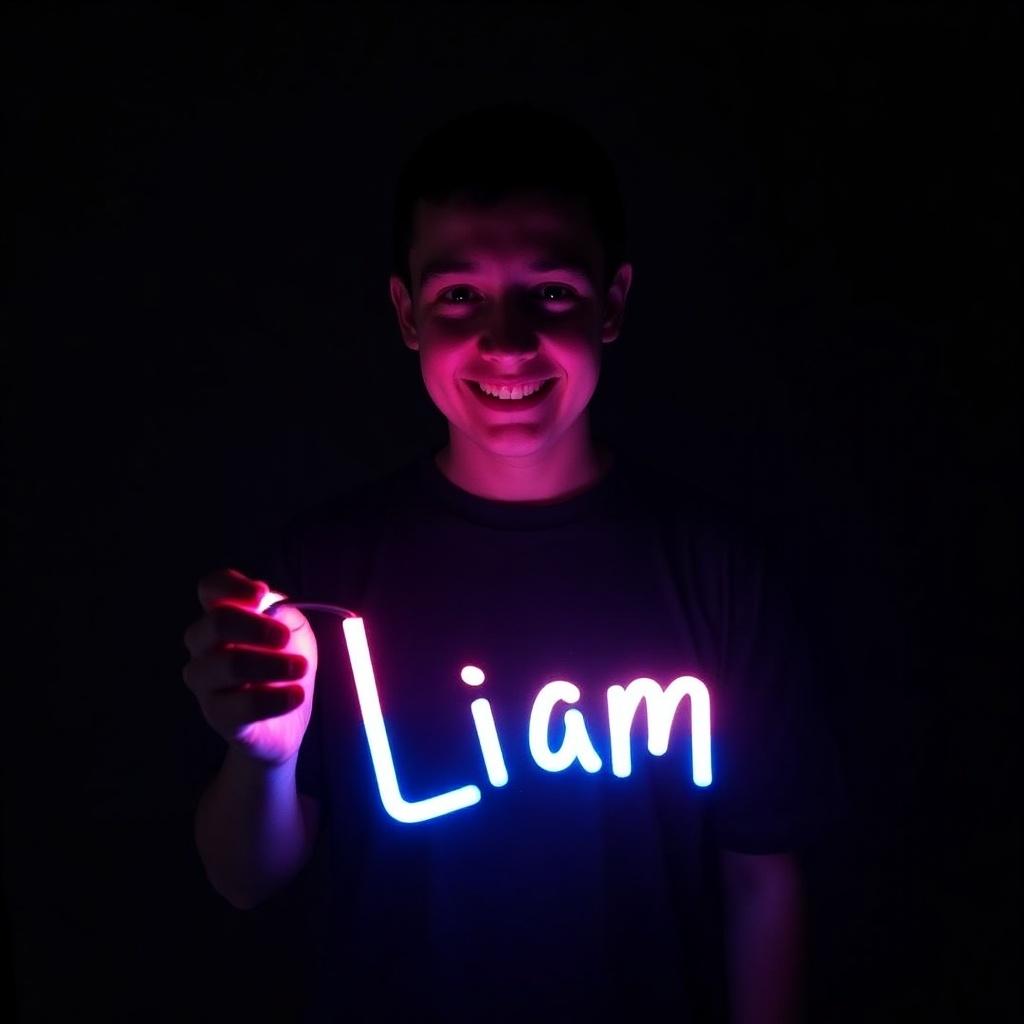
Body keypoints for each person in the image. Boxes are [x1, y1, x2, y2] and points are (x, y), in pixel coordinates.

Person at [183, 101, 839, 1023]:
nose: (507, 338)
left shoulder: (715, 573)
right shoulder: (323, 572)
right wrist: (263, 760)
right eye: (460, 295)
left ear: (612, 302)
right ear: (407, 312)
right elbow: (245, 880)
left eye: (552, 292)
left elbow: (762, 882)